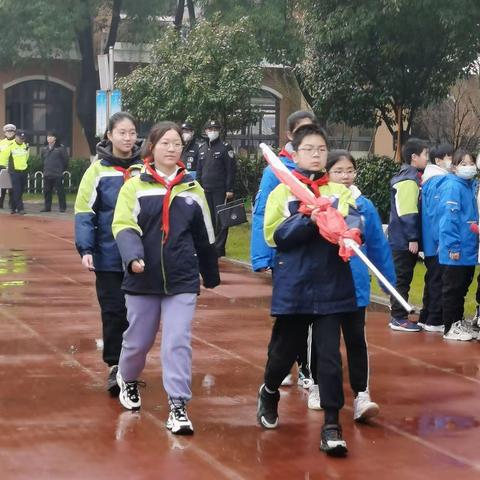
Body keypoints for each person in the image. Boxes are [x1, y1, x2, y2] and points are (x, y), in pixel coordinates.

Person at [257, 124, 363, 457]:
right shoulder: (282, 191)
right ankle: (270, 389)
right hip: (295, 284)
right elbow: (274, 236)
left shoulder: (339, 190)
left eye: (321, 149)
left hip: (333, 284)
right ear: (295, 152)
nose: (316, 154)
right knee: (284, 351)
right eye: (309, 149)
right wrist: (308, 218)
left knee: (329, 358)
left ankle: (332, 424)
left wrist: (348, 231)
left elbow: (355, 219)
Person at [112, 121, 220, 435]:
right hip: (141, 277)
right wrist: (132, 257)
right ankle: (128, 379)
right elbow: (123, 225)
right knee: (138, 342)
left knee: (177, 341)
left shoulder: (192, 189)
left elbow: (205, 235)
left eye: (177, 144)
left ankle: (178, 406)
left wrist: (209, 274)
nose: (172, 149)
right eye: (165, 143)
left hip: (182, 279)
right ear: (152, 147)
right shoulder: (135, 185)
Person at [305, 150, 396, 419]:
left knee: (357, 339)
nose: (345, 176)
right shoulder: (317, 203)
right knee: (323, 341)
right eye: (339, 171)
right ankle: (317, 386)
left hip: (355, 284)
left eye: (350, 171)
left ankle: (361, 395)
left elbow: (378, 245)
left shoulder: (364, 205)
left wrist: (388, 280)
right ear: (327, 173)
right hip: (324, 285)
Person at [74, 112, 143, 395]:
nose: (127, 138)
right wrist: (86, 248)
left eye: (132, 132)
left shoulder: (145, 168)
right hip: (108, 255)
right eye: (122, 132)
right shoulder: (97, 171)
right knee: (114, 311)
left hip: (141, 255)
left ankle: (133, 365)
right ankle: (116, 367)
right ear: (109, 136)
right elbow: (84, 211)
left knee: (138, 314)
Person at [251, 110, 318, 388]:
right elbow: (262, 212)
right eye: (301, 130)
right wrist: (261, 256)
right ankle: (278, 366)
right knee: (289, 316)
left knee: (313, 316)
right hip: (286, 255)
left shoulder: (322, 169)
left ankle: (307, 367)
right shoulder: (276, 170)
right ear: (290, 135)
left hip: (316, 257)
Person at [387, 137, 428, 332]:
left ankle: (399, 314)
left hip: (400, 238)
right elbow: (408, 211)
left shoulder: (410, 177)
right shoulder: (409, 180)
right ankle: (398, 317)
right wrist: (413, 237)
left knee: (403, 277)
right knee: (401, 278)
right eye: (425, 154)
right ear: (414, 157)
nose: (427, 158)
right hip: (402, 240)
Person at [438, 149, 478, 341]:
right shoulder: (453, 186)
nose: (468, 167)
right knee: (453, 288)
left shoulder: (469, 185)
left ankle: (458, 322)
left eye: (471, 163)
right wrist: (453, 246)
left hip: (468, 247)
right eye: (463, 164)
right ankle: (449, 327)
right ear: (454, 167)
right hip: (457, 248)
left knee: (462, 288)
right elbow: (449, 218)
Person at [418, 144, 452, 333]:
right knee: (438, 280)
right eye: (449, 157)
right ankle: (435, 319)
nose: (451, 161)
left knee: (432, 278)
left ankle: (426, 316)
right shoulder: (440, 182)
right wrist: (441, 241)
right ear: (438, 160)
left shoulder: (428, 181)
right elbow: (438, 215)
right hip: (437, 242)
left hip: (431, 241)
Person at [196, 119, 236, 257]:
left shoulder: (225, 147)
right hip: (205, 189)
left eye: (215, 129)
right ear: (206, 131)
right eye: (210, 129)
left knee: (221, 220)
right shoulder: (202, 149)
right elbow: (199, 171)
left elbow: (231, 170)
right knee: (209, 219)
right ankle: (211, 245)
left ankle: (219, 249)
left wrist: (230, 188)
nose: (212, 132)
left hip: (221, 189)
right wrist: (198, 186)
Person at [40, 131, 69, 212]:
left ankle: (62, 207)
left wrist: (61, 169)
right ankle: (47, 207)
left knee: (60, 191)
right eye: (48, 137)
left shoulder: (60, 148)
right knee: (47, 191)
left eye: (51, 137)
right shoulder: (44, 148)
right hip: (47, 173)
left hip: (57, 173)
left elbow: (65, 160)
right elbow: (42, 160)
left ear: (55, 138)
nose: (49, 138)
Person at [7, 130, 29, 215]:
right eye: (20, 138)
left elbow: (26, 158)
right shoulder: (11, 146)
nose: (21, 140)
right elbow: (5, 157)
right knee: (17, 190)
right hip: (14, 172)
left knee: (19, 190)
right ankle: (20, 208)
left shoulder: (25, 146)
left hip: (23, 171)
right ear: (16, 137)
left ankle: (13, 207)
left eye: (23, 138)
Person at [0, 123, 16, 209]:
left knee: (12, 187)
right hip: (1, 167)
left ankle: (12, 205)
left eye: (11, 131)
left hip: (13, 167)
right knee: (1, 187)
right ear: (5, 133)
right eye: (7, 131)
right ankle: (0, 203)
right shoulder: (1, 142)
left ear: (14, 132)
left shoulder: (17, 142)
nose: (9, 133)